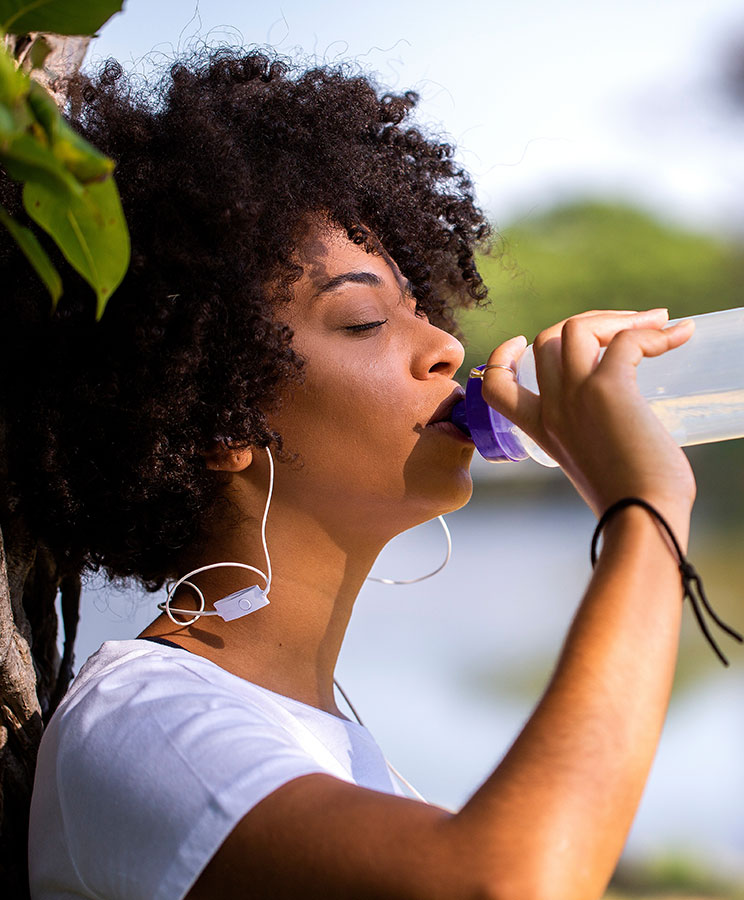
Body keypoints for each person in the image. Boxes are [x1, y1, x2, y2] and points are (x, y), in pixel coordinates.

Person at [1, 48, 703, 900]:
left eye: (418, 306)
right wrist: (646, 512)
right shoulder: (150, 724)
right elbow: (509, 883)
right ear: (221, 417)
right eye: (366, 320)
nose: (446, 345)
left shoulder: (306, 726)